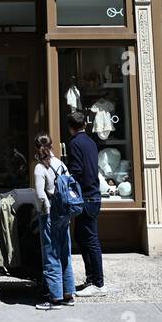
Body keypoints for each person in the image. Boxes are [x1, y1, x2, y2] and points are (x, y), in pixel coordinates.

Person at [64, 109, 104, 295]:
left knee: (89, 239)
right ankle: (92, 278)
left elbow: (77, 170)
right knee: (82, 237)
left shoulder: (74, 144)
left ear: (70, 128)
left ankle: (97, 282)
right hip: (94, 195)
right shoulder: (90, 142)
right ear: (85, 125)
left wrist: (68, 187)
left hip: (86, 197)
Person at [33, 133, 75, 311]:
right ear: (52, 145)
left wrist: (44, 212)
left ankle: (55, 297)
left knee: (51, 253)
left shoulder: (40, 168)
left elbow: (41, 194)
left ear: (37, 148)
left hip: (50, 211)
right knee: (65, 251)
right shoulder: (60, 164)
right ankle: (68, 294)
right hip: (64, 212)